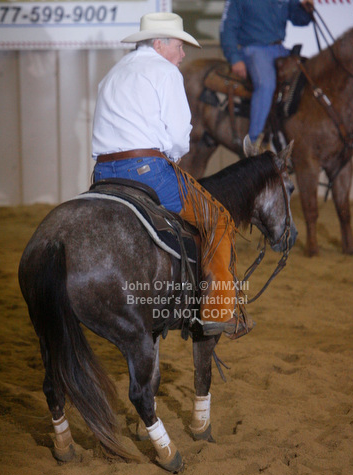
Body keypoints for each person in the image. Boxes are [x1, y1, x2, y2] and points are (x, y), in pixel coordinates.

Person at [92, 12, 253, 339]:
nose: (182, 54)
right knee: (219, 221)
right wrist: (174, 157)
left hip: (102, 173)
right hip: (147, 171)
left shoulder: (113, 72)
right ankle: (218, 312)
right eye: (179, 46)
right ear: (159, 43)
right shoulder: (165, 72)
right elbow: (179, 135)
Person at [220, 0, 314, 152]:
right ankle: (254, 142)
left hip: (280, 48)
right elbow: (227, 28)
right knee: (266, 84)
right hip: (254, 48)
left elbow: (299, 19)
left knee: (303, 81)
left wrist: (306, 9)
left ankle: (296, 135)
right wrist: (234, 58)